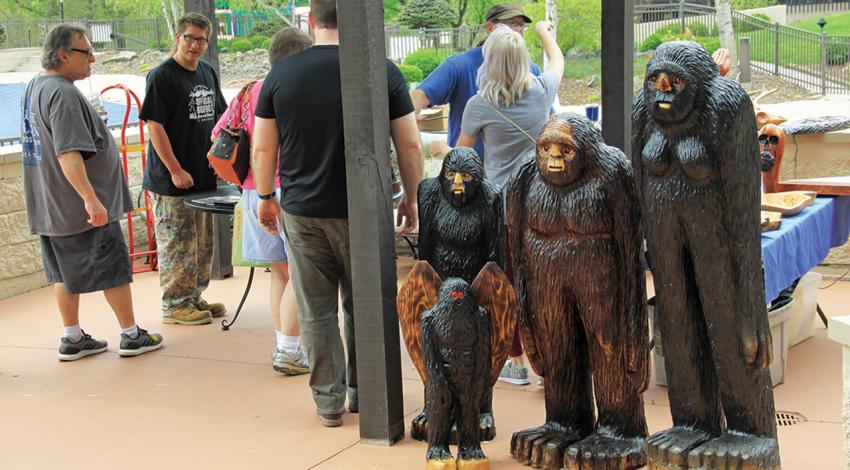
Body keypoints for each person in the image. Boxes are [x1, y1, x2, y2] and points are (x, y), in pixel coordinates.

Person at [252, 0, 422, 427]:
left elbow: (262, 147)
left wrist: (265, 194)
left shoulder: (281, 74)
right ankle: (366, 393)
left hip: (303, 211)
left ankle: (327, 401)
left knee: (316, 309)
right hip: (364, 210)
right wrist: (413, 198)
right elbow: (410, 144)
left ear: (311, 21)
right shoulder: (381, 69)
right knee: (366, 302)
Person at [21, 24, 163, 360]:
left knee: (63, 273)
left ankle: (72, 337)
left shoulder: (35, 87)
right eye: (86, 52)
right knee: (112, 267)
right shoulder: (63, 95)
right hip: (79, 209)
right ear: (63, 55)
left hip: (51, 207)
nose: (93, 59)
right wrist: (91, 199)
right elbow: (67, 154)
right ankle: (131, 334)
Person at [458, 23, 563, 386]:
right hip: (541, 204)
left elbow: (463, 154)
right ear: (522, 61)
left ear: (488, 61)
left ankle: (516, 361)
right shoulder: (541, 92)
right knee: (543, 283)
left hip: (500, 208)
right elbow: (557, 60)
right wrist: (546, 33)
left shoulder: (478, 105)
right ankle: (551, 363)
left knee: (506, 283)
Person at [210, 28, 312, 375]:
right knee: (302, 272)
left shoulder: (249, 90)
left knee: (279, 273)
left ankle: (285, 343)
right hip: (291, 189)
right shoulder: (296, 88)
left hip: (254, 191)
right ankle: (289, 349)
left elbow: (219, 136)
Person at [140, 12, 228, 326]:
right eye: (189, 38)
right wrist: (175, 169)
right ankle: (175, 304)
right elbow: (155, 126)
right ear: (178, 37)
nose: (194, 45)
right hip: (171, 181)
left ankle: (193, 295)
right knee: (176, 242)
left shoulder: (206, 71)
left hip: (203, 177)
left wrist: (222, 161)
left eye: (201, 39)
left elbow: (221, 118)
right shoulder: (162, 76)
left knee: (202, 243)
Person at [411, 3, 540, 158]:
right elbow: (418, 97)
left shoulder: (531, 70)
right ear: (491, 29)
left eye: (522, 25)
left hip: (520, 174)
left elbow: (548, 122)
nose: (518, 30)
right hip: (467, 174)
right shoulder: (459, 65)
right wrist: (408, 128)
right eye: (512, 24)